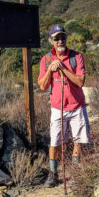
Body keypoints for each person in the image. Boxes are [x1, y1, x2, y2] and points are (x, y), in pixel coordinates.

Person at [38, 24, 88, 187]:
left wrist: (63, 68)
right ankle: (53, 175)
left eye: (62, 37)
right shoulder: (46, 60)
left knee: (78, 141)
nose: (60, 41)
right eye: (56, 38)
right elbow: (42, 86)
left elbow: (80, 82)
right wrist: (50, 71)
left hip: (77, 107)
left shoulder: (76, 57)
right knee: (55, 142)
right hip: (57, 108)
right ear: (50, 41)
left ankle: (75, 173)